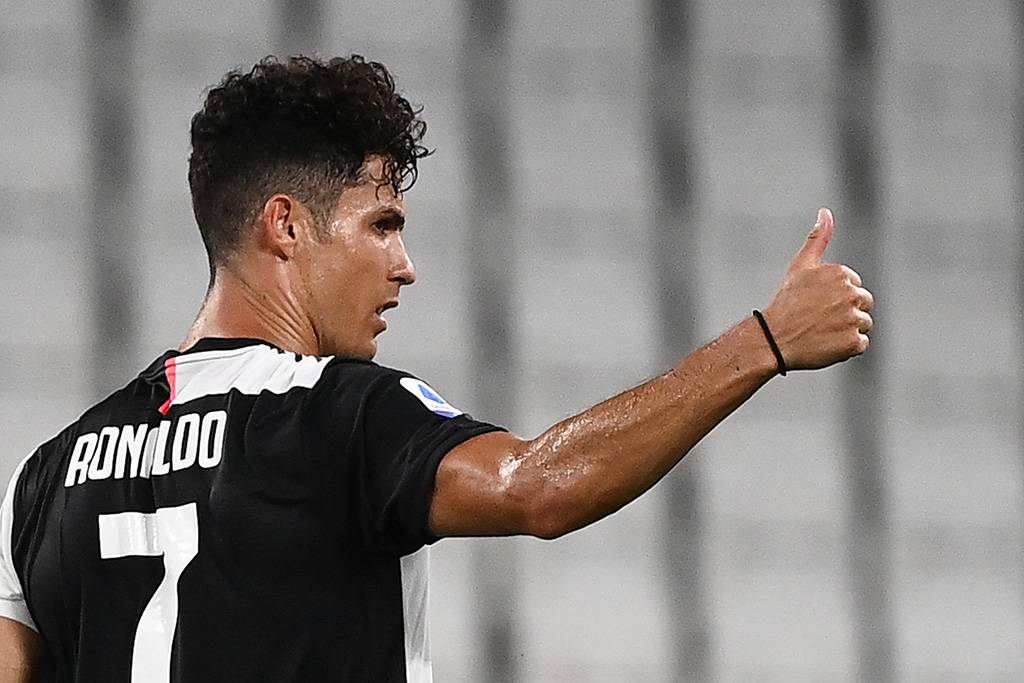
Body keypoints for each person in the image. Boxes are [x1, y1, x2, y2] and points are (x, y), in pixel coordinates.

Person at [0, 55, 873, 682]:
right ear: (287, 225)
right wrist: (765, 340)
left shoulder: (41, 478)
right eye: (382, 224)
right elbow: (539, 486)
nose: (406, 264)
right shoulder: (338, 414)